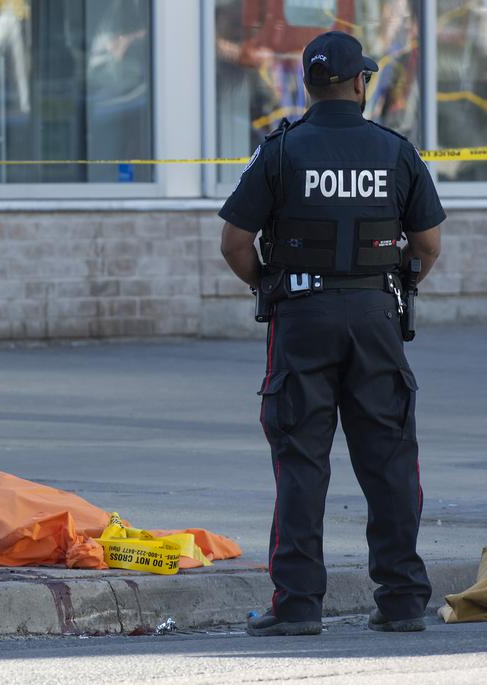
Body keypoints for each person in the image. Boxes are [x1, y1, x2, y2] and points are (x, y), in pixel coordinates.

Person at [219, 31, 444, 636]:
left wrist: (270, 285)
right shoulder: (396, 151)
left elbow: (235, 243)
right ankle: (402, 601)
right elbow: (427, 245)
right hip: (375, 319)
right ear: (360, 83)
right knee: (390, 460)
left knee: (300, 462)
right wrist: (391, 286)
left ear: (308, 85)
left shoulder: (280, 151)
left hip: (301, 318)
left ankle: (297, 605)